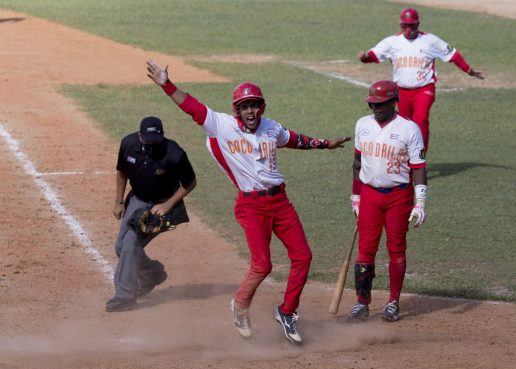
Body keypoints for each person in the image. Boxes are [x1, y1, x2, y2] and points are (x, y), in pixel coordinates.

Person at [146, 59, 350, 345]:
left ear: (261, 107)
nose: (250, 110)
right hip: (251, 206)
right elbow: (191, 106)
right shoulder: (221, 126)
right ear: (236, 110)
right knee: (262, 265)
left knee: (303, 256)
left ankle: (287, 311)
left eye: (254, 105)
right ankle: (240, 306)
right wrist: (166, 84)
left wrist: (324, 144)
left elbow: (293, 139)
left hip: (280, 202)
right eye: (245, 106)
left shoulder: (271, 127)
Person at [348, 80, 427, 323]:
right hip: (370, 194)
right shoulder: (362, 125)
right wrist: (356, 197)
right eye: (372, 103)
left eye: (380, 104)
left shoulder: (409, 129)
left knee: (396, 248)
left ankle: (393, 302)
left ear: (394, 102)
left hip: (399, 195)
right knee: (365, 250)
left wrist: (420, 201)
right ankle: (362, 303)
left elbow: (418, 167)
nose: (375, 107)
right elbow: (357, 163)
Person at [358, 7, 484, 153]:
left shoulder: (430, 40)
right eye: (405, 25)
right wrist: (364, 58)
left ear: (418, 24)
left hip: (424, 88)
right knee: (405, 124)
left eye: (412, 25)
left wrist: (469, 70)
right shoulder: (392, 42)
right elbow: (374, 55)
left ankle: (420, 157)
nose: (408, 29)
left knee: (421, 120)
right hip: (401, 91)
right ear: (400, 25)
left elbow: (453, 55)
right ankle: (406, 158)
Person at [106, 116, 197, 312]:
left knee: (131, 244)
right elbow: (122, 172)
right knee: (121, 247)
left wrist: (168, 204)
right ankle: (152, 273)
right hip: (137, 199)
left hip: (161, 206)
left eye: (156, 140)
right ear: (140, 136)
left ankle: (125, 296)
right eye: (148, 140)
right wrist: (119, 201)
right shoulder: (128, 144)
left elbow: (190, 182)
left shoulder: (174, 153)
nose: (152, 144)